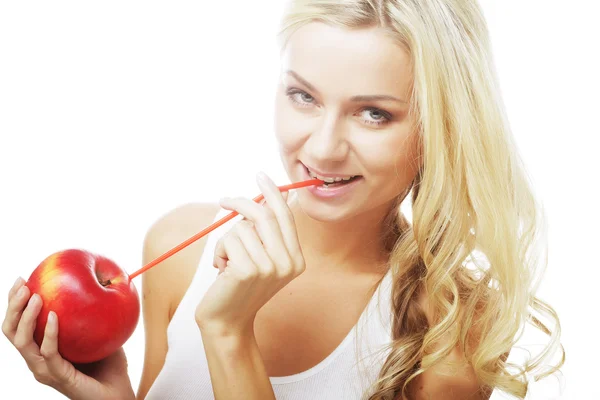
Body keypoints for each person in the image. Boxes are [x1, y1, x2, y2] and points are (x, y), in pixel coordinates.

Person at [2, 0, 565, 399]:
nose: (322, 147)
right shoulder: (179, 245)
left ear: (442, 128)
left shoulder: (449, 328)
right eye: (303, 96)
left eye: (374, 114)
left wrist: (229, 334)